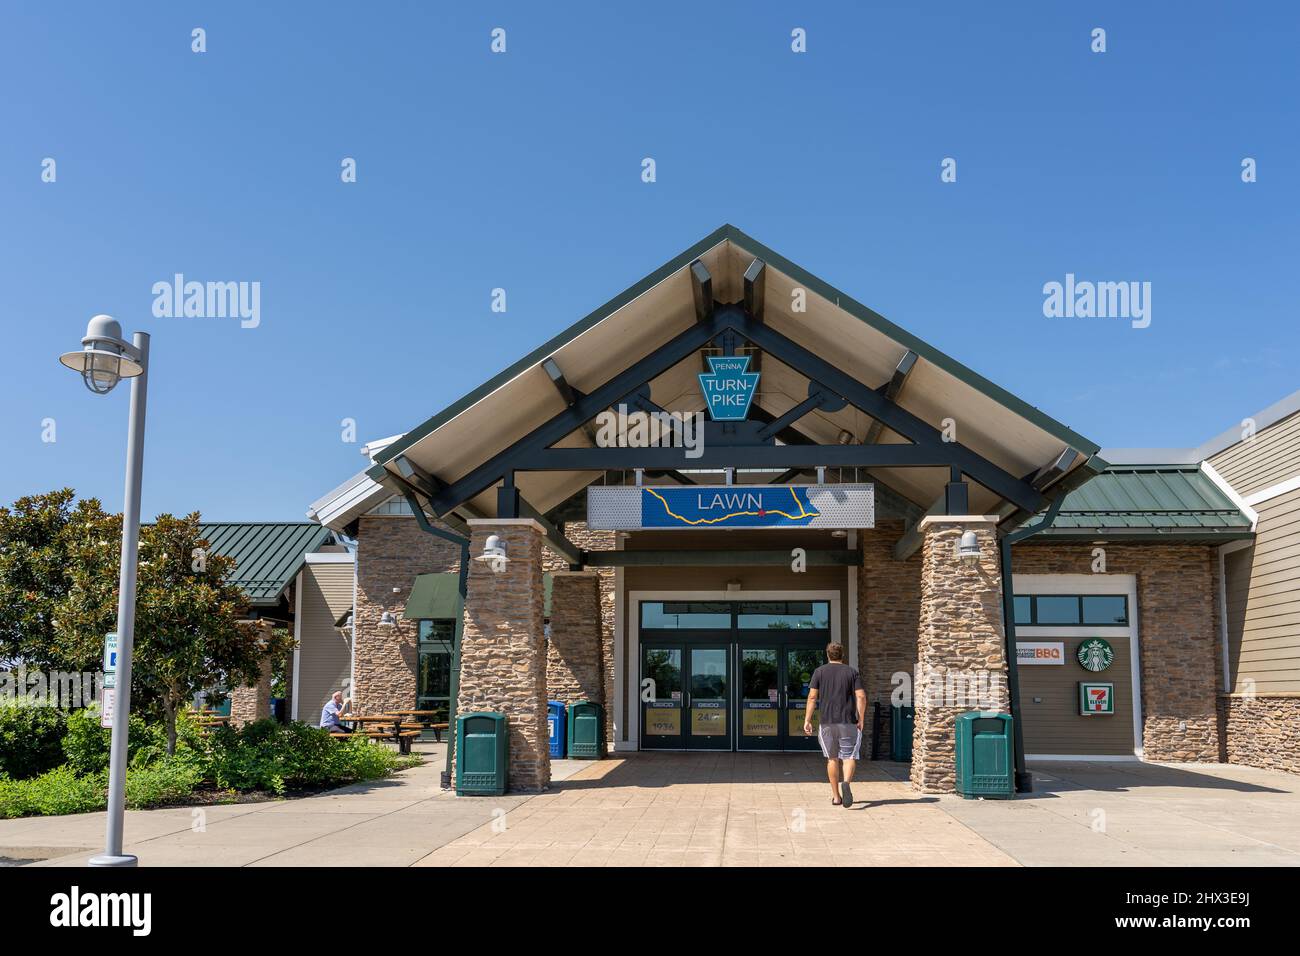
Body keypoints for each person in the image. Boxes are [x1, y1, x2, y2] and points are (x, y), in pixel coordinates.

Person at [804, 643, 866, 808]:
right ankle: (846, 782)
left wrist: (807, 720)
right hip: (848, 722)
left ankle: (837, 797)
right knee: (849, 757)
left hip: (827, 722)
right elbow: (860, 696)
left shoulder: (819, 672)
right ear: (842, 655)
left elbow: (811, 697)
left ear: (828, 655)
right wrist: (861, 718)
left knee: (832, 759)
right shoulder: (852, 672)